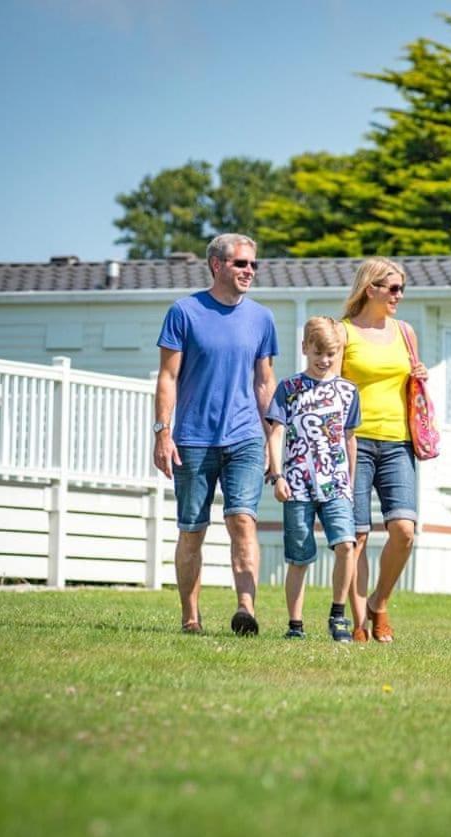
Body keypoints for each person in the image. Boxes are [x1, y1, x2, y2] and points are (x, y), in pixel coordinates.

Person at [153, 233, 278, 635]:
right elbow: (168, 377)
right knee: (192, 530)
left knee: (243, 520)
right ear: (217, 265)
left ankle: (246, 608)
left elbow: (264, 383)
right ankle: (191, 617)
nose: (249, 271)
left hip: (243, 437)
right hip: (192, 439)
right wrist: (162, 432)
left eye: (253, 265)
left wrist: (273, 440)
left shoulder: (262, 318)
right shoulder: (184, 312)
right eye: (241, 263)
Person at [339, 257, 428, 643]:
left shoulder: (405, 332)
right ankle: (359, 622)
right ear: (369, 288)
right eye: (392, 288)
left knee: (404, 530)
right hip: (354, 441)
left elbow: (411, 384)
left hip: (398, 442)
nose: (399, 295)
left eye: (402, 288)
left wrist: (420, 377)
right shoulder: (343, 333)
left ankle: (380, 602)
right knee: (357, 536)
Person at [265, 317, 361, 642]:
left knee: (346, 545)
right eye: (318, 352)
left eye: (331, 354)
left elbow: (350, 439)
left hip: (335, 484)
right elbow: (276, 432)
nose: (324, 360)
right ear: (305, 347)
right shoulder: (289, 389)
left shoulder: (348, 392)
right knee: (300, 556)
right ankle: (295, 625)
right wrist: (277, 474)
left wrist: (349, 481)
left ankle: (338, 615)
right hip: (297, 484)